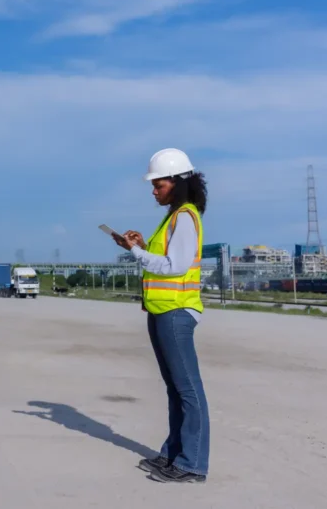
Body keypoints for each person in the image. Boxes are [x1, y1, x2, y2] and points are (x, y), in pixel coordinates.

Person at [112, 148, 210, 484]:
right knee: (175, 389)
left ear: (178, 182)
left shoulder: (185, 217)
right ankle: (173, 454)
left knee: (188, 391)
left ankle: (192, 464)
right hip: (161, 310)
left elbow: (175, 267)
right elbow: (165, 258)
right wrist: (141, 246)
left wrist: (136, 252)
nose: (154, 191)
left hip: (175, 312)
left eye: (159, 185)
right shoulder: (172, 218)